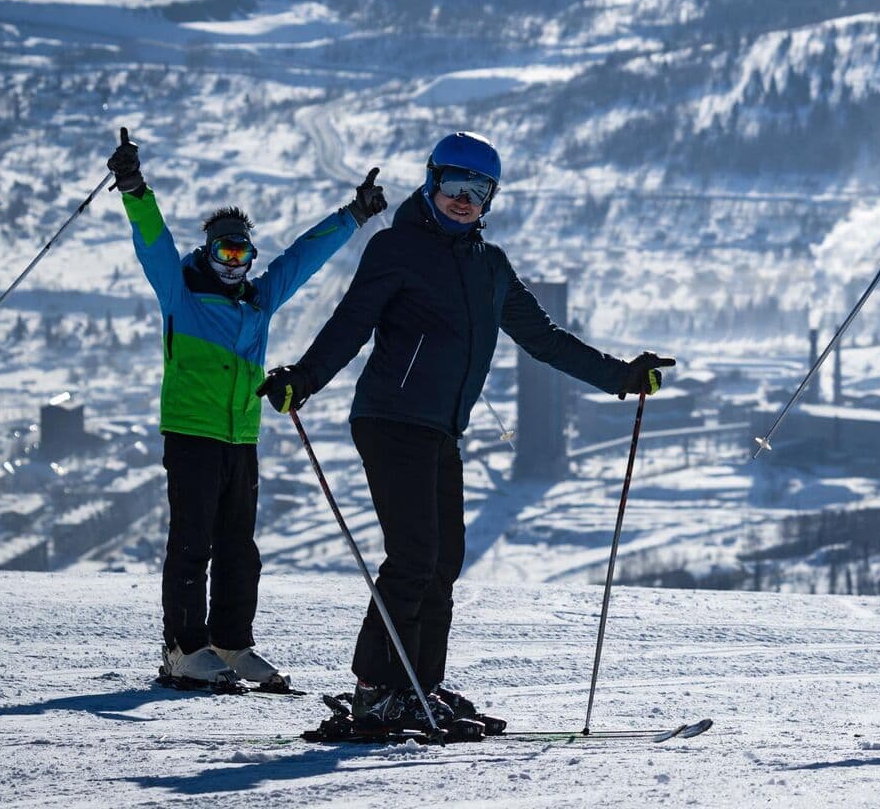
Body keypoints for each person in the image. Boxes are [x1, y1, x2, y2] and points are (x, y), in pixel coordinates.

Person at [257, 131, 674, 732]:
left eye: (477, 191)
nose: (463, 199)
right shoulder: (396, 249)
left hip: (440, 431)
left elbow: (546, 340)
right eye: (453, 186)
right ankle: (377, 689)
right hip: (388, 418)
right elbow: (350, 324)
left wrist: (623, 377)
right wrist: (303, 378)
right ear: (431, 185)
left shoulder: (491, 267)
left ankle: (421, 687)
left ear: (490, 201)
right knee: (412, 557)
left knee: (443, 561)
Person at [108, 128, 385, 689]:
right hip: (192, 433)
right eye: (224, 252)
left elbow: (302, 259)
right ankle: (184, 649)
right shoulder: (181, 292)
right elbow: (153, 241)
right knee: (193, 542)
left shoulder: (260, 300)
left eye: (241, 253)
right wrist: (134, 187)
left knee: (240, 548)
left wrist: (354, 215)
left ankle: (232, 644)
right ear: (208, 253)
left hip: (242, 436)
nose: (233, 262)